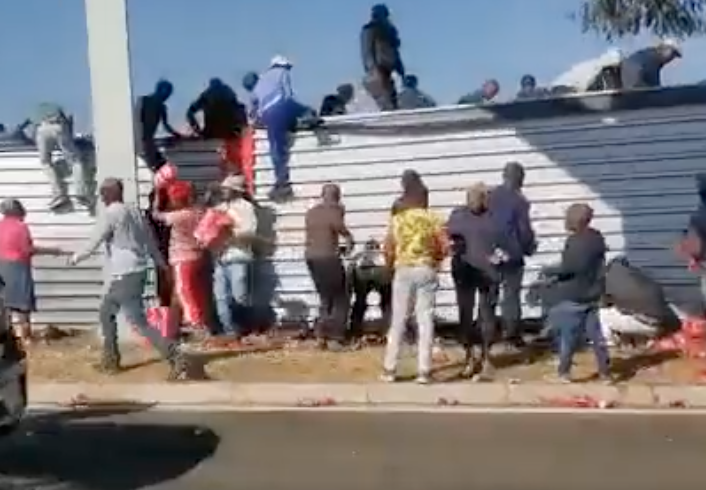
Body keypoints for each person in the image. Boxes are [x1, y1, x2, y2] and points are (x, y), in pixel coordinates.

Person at [68, 178, 199, 380]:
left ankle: (175, 356)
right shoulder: (136, 212)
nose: (101, 197)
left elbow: (95, 240)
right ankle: (110, 360)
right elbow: (150, 241)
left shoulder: (111, 214)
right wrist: (161, 265)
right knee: (106, 312)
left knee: (139, 322)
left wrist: (75, 258)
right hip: (137, 270)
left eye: (103, 193)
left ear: (109, 194)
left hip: (124, 273)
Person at [381, 188, 446, 384]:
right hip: (425, 268)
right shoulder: (434, 218)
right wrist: (435, 261)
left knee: (399, 319)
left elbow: (388, 247)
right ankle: (424, 371)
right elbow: (444, 246)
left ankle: (390, 369)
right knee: (425, 319)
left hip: (404, 269)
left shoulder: (399, 219)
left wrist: (390, 265)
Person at [543, 204, 610, 383]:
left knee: (568, 336)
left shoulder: (574, 242)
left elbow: (570, 268)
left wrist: (549, 272)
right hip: (593, 294)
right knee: (596, 336)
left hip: (575, 295)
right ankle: (605, 373)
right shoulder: (597, 238)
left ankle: (563, 372)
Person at [447, 183, 505, 381]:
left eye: (479, 198)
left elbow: (507, 244)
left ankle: (486, 357)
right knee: (465, 313)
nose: (475, 202)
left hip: (489, 272)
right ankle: (469, 356)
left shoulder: (495, 218)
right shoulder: (457, 216)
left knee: (487, 315)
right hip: (464, 271)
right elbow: (447, 238)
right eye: (471, 198)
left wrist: (501, 255)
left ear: (485, 200)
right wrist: (451, 247)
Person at [250, 56, 315, 201]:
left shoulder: (261, 79)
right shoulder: (282, 72)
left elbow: (254, 104)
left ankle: (279, 180)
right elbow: (287, 94)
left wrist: (257, 120)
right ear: (282, 65)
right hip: (280, 108)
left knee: (275, 146)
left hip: (267, 114)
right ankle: (283, 183)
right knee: (302, 110)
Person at [0, 199, 63, 347]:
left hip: (1, 267)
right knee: (23, 304)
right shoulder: (21, 227)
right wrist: (52, 250)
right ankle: (26, 338)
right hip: (17, 267)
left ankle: (7, 337)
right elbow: (28, 249)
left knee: (4, 303)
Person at [488, 162, 536, 348]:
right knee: (511, 295)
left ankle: (488, 332)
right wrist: (529, 247)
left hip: (491, 251)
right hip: (512, 253)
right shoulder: (519, 201)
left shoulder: (490, 196)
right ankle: (511, 334)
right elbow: (523, 230)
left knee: (490, 294)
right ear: (520, 179)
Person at [152, 181, 208, 331]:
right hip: (197, 255)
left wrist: (157, 196)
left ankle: (194, 322)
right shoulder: (198, 212)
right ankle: (201, 318)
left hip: (182, 257)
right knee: (196, 289)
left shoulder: (178, 216)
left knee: (184, 289)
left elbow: (156, 216)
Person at [305, 183, 355, 350]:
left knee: (325, 297)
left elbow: (321, 234)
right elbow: (339, 228)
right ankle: (336, 337)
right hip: (327, 258)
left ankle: (320, 334)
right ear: (337, 196)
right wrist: (349, 242)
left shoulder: (311, 212)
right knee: (341, 297)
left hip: (312, 258)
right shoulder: (334, 210)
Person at [211, 174, 258, 343]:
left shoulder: (246, 208)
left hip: (238, 256)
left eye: (226, 189)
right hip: (220, 257)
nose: (223, 191)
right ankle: (229, 330)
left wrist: (230, 235)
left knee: (240, 296)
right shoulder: (220, 208)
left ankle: (243, 329)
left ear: (235, 191)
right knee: (221, 297)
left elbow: (250, 233)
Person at [32, 103, 89, 210]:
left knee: (45, 162)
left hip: (42, 128)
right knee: (75, 160)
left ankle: (58, 195)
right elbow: (67, 124)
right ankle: (80, 192)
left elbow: (34, 127)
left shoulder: (38, 109)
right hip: (59, 125)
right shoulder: (57, 107)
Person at [360, 4, 405, 111]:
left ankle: (392, 107)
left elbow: (395, 49)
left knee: (390, 88)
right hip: (378, 63)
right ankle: (387, 108)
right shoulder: (370, 29)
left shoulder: (389, 29)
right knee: (382, 89)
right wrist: (370, 66)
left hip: (388, 62)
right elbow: (367, 49)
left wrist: (400, 67)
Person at [349, 238, 392, 341]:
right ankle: (388, 331)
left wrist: (350, 286)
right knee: (387, 302)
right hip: (382, 270)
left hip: (361, 271)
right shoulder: (383, 255)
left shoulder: (359, 255)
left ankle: (355, 332)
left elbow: (351, 268)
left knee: (360, 300)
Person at [136, 80, 181, 172]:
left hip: (148, 142)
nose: (167, 96)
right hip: (142, 141)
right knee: (155, 167)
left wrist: (177, 135)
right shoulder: (144, 101)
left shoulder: (161, 107)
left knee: (160, 166)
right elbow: (136, 121)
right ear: (160, 90)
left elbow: (166, 125)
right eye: (167, 93)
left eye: (169, 94)